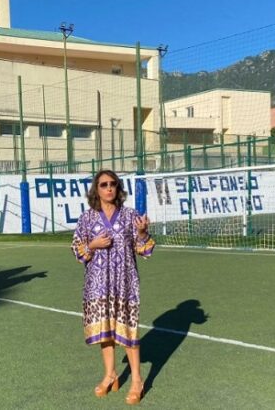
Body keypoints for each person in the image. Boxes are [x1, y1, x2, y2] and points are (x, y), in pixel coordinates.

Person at [71, 169, 154, 405]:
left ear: (118, 188)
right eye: (103, 184)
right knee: (105, 330)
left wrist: (142, 232)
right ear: (96, 190)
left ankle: (137, 380)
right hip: (97, 284)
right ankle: (110, 375)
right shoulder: (87, 218)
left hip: (124, 283)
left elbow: (144, 249)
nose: (109, 188)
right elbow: (77, 250)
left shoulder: (129, 215)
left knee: (128, 332)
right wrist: (93, 244)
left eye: (113, 184)